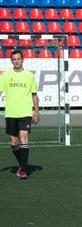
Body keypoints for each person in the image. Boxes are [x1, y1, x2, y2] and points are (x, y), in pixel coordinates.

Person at [0, 50, 39, 180]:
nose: (16, 61)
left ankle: (23, 169)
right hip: (11, 113)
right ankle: (22, 164)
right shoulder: (6, 75)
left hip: (25, 112)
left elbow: (34, 95)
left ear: (23, 60)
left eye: (18, 59)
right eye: (14, 59)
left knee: (24, 137)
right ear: (11, 61)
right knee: (13, 143)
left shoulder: (29, 76)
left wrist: (36, 113)